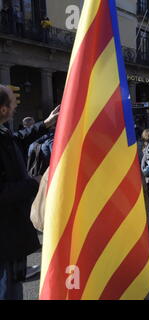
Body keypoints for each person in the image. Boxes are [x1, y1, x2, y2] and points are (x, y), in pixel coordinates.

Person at [0, 85, 59, 300]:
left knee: (14, 282)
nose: (16, 107)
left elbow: (16, 139)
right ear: (2, 109)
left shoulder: (4, 132)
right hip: (4, 235)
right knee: (9, 287)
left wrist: (45, 124)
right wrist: (34, 183)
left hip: (10, 231)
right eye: (12, 103)